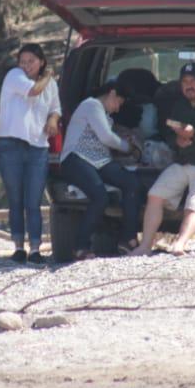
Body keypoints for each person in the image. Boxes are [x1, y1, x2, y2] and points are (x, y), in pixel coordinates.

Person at [132, 62, 195, 256]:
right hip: (184, 162)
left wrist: (194, 134)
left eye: (193, 81)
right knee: (155, 195)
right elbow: (169, 131)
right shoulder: (180, 104)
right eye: (185, 82)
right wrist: (177, 140)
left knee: (194, 205)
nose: (189, 86)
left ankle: (180, 244)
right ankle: (145, 246)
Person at [59, 80, 143, 259]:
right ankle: (81, 246)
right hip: (76, 158)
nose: (118, 108)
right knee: (100, 197)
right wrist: (128, 148)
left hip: (99, 160)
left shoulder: (105, 115)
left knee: (132, 183)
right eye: (118, 102)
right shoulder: (92, 105)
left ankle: (128, 238)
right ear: (112, 94)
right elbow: (106, 137)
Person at [0, 43, 61, 265]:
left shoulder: (50, 84)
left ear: (40, 61)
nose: (26, 66)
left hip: (38, 146)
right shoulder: (15, 76)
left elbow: (55, 108)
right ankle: (18, 246)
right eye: (23, 61)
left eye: (31, 61)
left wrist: (53, 120)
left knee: (33, 199)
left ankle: (35, 248)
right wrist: (49, 74)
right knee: (16, 198)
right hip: (11, 145)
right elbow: (34, 90)